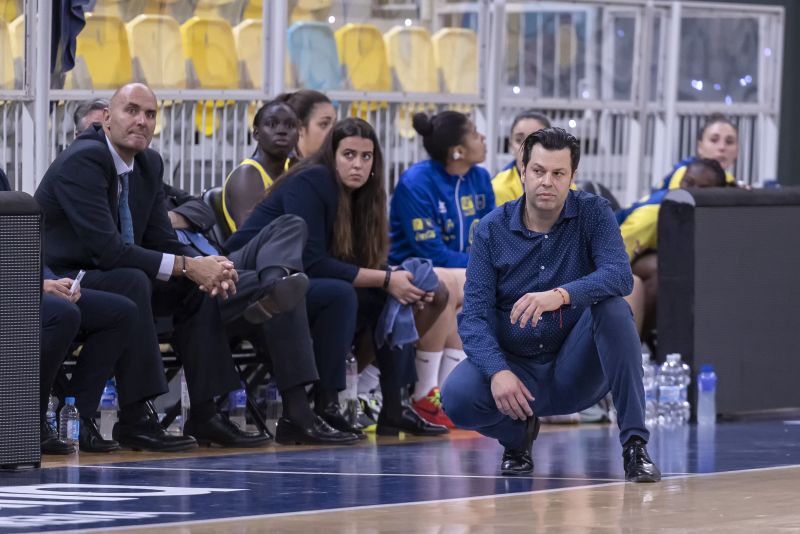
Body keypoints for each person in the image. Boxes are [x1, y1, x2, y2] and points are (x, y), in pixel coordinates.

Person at [34, 83, 303, 450]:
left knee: (192, 288)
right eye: (131, 110)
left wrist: (204, 266)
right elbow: (107, 251)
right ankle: (136, 417)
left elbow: (161, 239)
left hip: (113, 273)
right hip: (63, 275)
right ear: (107, 118)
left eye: (150, 114)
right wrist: (187, 266)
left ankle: (207, 412)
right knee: (133, 280)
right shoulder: (85, 159)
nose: (141, 121)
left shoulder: (148, 162)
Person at [441, 127, 661, 483]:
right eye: (539, 171)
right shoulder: (491, 230)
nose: (547, 182)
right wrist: (497, 372)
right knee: (456, 397)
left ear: (572, 176)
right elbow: (475, 317)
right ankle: (517, 437)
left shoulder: (594, 213)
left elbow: (620, 276)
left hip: (576, 370)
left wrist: (560, 295)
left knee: (613, 308)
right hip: (516, 369)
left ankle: (635, 446)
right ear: (522, 172)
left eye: (559, 173)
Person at [227, 117, 448, 437]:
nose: (358, 164)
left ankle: (396, 407)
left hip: (303, 281)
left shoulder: (365, 195)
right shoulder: (312, 180)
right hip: (253, 281)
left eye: (366, 156)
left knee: (393, 294)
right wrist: (387, 279)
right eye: (348, 155)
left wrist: (397, 280)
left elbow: (359, 261)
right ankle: (327, 405)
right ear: (332, 155)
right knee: (341, 294)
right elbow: (312, 263)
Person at [388, 110, 494, 424]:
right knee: (451, 284)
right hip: (412, 271)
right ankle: (424, 393)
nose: (483, 138)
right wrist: (482, 267)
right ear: (457, 151)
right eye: (474, 133)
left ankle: (448, 397)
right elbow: (430, 251)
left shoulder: (480, 178)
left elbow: (493, 236)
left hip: (461, 273)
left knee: (469, 287)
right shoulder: (416, 182)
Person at [618, 158, 729, 345]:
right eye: (688, 183)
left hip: (654, 253)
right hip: (611, 251)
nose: (691, 191)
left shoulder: (720, 212)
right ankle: (634, 348)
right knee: (661, 270)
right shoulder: (652, 214)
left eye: (703, 188)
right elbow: (611, 257)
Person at [221, 99, 298, 233]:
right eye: (272, 124)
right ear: (256, 133)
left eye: (290, 125)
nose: (282, 131)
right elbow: (253, 236)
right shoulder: (247, 175)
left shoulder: (292, 170)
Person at [655, 113, 738, 191]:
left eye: (729, 142)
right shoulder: (682, 175)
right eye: (714, 140)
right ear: (700, 146)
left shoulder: (732, 182)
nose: (722, 147)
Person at [492, 110, 551, 207]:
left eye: (536, 140)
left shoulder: (566, 185)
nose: (526, 145)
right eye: (519, 140)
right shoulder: (498, 187)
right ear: (510, 145)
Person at [277, 89, 336, 161]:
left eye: (334, 124)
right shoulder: (282, 166)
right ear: (299, 128)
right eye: (324, 124)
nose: (333, 131)